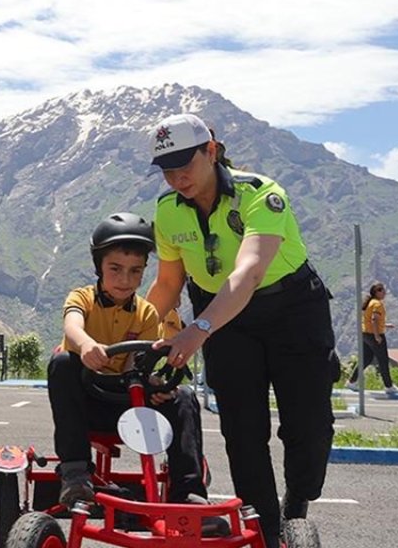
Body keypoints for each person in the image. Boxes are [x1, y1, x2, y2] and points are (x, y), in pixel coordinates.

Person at [143, 113, 338, 548]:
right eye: (167, 170)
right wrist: (136, 332)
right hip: (226, 320)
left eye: (185, 165)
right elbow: (169, 285)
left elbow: (249, 271)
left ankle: (297, 506)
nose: (177, 178)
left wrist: (198, 330)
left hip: (291, 309)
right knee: (242, 428)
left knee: (307, 425)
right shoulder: (167, 211)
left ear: (211, 151)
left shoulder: (260, 194)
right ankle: (265, 530)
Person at [48, 213, 212, 511]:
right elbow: (72, 324)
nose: (125, 280)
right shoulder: (82, 298)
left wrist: (155, 386)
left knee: (184, 396)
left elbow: (135, 367)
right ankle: (75, 475)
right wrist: (86, 346)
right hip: (86, 404)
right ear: (99, 266)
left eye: (135, 271)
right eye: (115, 269)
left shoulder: (147, 313)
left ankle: (188, 490)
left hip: (125, 401)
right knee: (62, 363)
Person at [346, 283, 398, 395]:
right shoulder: (377, 304)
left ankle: (352, 381)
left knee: (366, 358)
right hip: (374, 335)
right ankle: (389, 386)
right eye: (381, 290)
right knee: (383, 360)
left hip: (366, 334)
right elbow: (374, 320)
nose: (384, 292)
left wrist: (385, 325)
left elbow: (371, 320)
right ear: (376, 292)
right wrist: (377, 335)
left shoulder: (370, 303)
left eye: (383, 289)